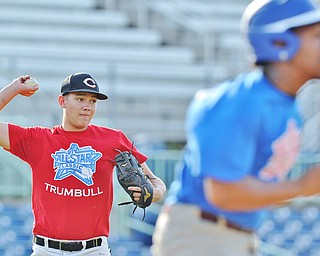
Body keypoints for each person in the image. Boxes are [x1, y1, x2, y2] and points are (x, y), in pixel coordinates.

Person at [151, 0, 320, 255]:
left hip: (233, 234)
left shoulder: (287, 104)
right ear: (279, 43)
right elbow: (223, 194)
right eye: (317, 35)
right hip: (200, 235)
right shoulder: (239, 103)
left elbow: (259, 186)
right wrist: (302, 187)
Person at [0, 72, 166, 256]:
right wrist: (14, 88)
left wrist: (156, 192)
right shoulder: (38, 140)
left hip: (93, 250)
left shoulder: (114, 139)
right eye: (80, 99)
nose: (87, 106)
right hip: (46, 250)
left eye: (92, 101)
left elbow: (155, 182)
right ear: (62, 102)